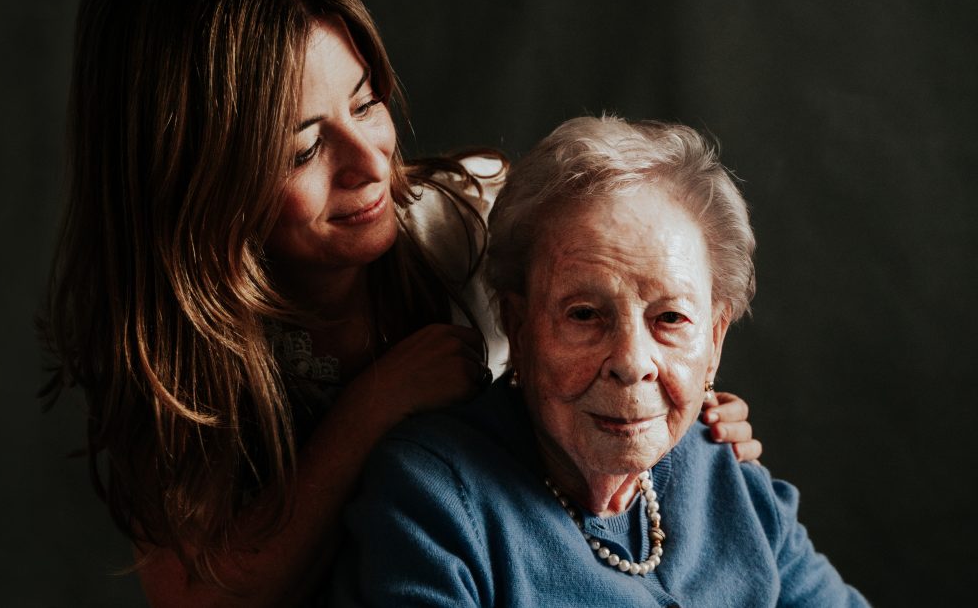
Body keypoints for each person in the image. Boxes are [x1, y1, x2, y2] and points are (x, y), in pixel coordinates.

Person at [39, 0, 760, 605]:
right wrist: (376, 407)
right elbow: (192, 594)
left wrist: (688, 424)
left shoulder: (483, 222)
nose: (369, 162)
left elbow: (640, 353)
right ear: (194, 182)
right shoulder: (165, 335)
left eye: (367, 102)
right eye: (302, 149)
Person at [335, 116, 868, 606]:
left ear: (715, 339)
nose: (632, 363)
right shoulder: (436, 499)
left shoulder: (725, 470)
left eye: (671, 319)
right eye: (585, 314)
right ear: (518, 329)